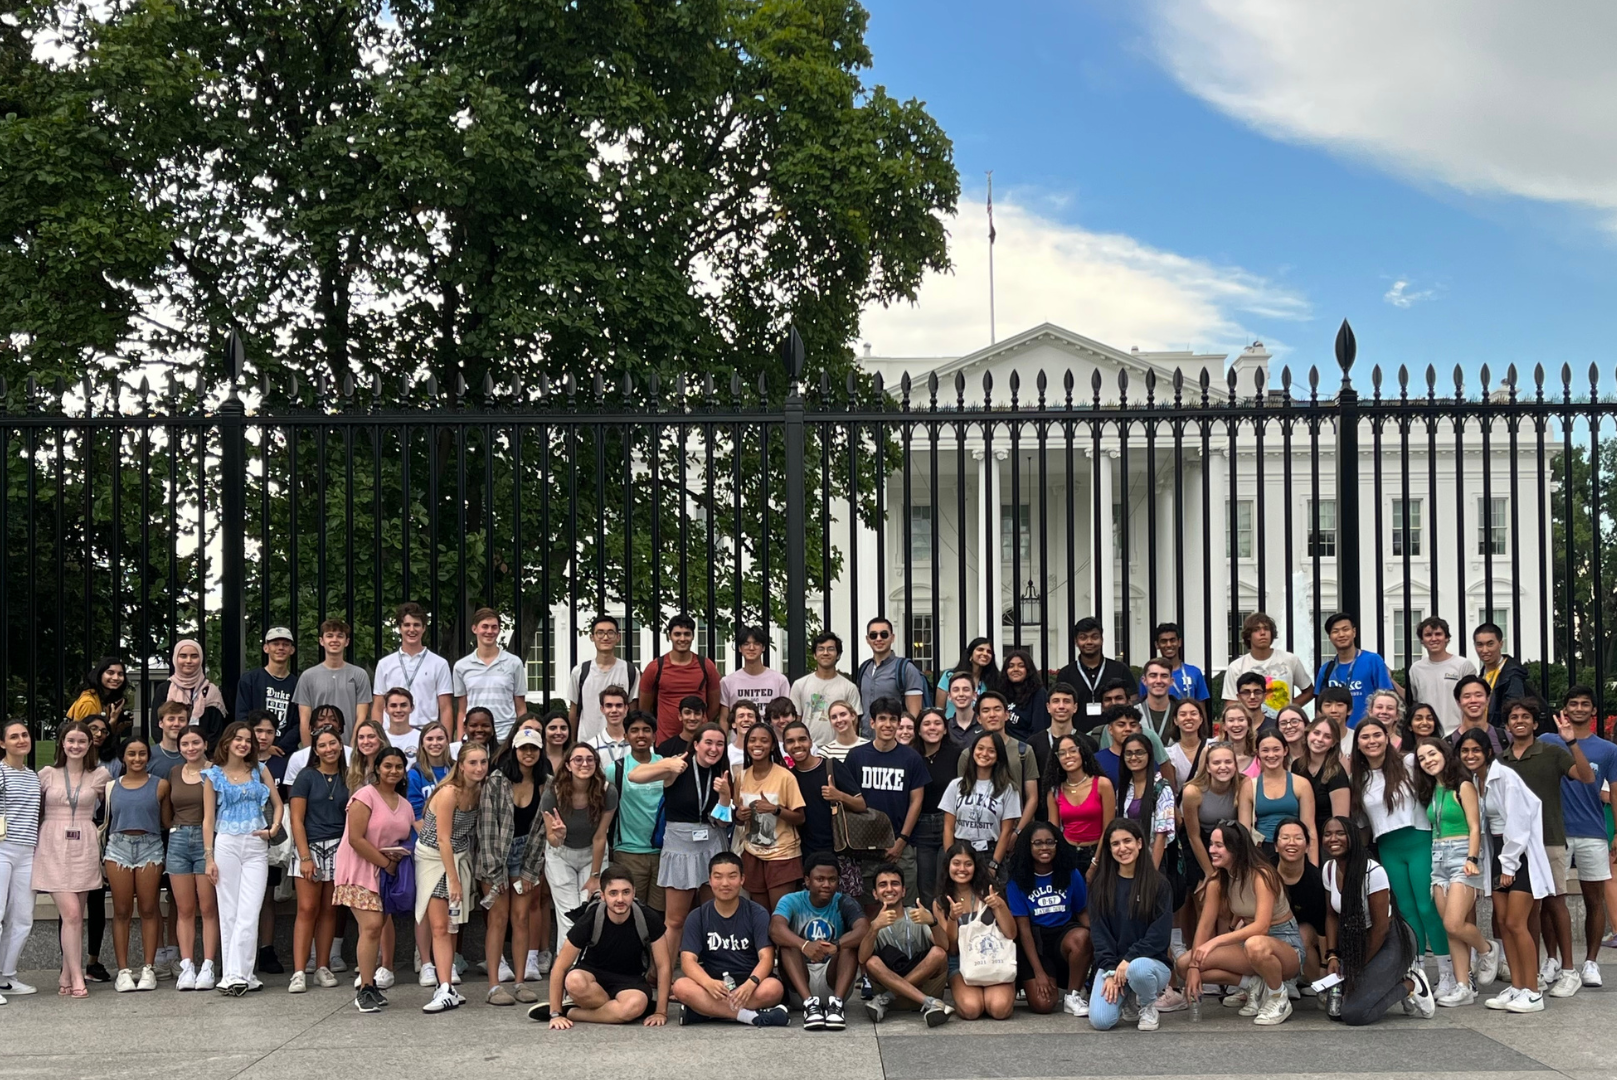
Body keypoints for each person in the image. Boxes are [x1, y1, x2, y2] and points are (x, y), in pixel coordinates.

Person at [1498, 695, 1596, 998]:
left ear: (1535, 722)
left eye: (1525, 717)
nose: (1519, 722)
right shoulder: (1501, 760)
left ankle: (1569, 971)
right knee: (1529, 911)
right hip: (1516, 846)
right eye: (1514, 717)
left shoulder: (1552, 752)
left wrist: (1572, 743)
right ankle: (1535, 972)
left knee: (1556, 902)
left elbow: (1587, 777)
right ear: (1507, 725)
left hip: (1549, 839)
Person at [1349, 718, 1450, 991]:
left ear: (1387, 736)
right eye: (1365, 737)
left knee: (1427, 907)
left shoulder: (1408, 763)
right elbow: (1361, 824)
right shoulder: (1358, 779)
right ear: (1357, 744)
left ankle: (1448, 972)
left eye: (1376, 735)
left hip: (1418, 838)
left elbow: (1440, 779)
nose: (1372, 741)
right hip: (1388, 847)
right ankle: (1417, 969)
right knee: (1405, 910)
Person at [1457, 728, 1552, 1011]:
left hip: (1518, 855)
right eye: (1465, 751)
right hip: (1498, 854)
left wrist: (1509, 865)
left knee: (1515, 923)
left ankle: (1533, 991)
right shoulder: (1476, 780)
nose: (1470, 755)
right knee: (1503, 924)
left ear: (1488, 751)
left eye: (1476, 750)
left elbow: (1519, 825)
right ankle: (1517, 986)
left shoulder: (1506, 777)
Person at [1176, 821, 1302, 1025]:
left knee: (1255, 944)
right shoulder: (1218, 881)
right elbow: (1205, 925)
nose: (1211, 850)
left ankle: (1278, 997)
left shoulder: (1262, 875)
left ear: (1235, 849)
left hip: (1283, 944)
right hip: (1249, 944)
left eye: (1219, 845)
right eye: (1211, 844)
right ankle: (1253, 985)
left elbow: (1262, 926)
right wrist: (1193, 967)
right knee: (1183, 964)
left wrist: (1216, 942)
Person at [1320, 816, 1436, 1024]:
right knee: (1336, 1012)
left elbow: (1381, 927)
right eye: (1327, 834)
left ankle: (1410, 984)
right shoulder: (1329, 869)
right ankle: (1390, 980)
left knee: (1354, 1014)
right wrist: (1333, 956)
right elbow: (1331, 916)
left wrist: (1357, 968)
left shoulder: (1373, 871)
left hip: (1390, 940)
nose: (1332, 839)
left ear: (1353, 837)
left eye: (1340, 833)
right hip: (1357, 941)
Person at [630, 723, 733, 950]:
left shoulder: (723, 771)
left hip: (713, 843)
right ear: (696, 744)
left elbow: (724, 821)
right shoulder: (679, 766)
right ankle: (661, 974)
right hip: (680, 845)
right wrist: (667, 764)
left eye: (719, 744)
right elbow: (634, 776)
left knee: (714, 914)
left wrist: (725, 797)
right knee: (676, 919)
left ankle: (711, 969)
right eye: (708, 742)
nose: (714, 749)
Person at [534, 865, 672, 1027]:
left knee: (635, 1005)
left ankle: (574, 1012)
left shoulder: (647, 918)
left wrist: (660, 1011)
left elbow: (664, 966)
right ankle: (614, 1010)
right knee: (573, 981)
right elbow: (559, 967)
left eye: (626, 892)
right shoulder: (591, 919)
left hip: (630, 981)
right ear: (603, 896)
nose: (620, 899)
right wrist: (555, 1013)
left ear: (634, 892)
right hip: (593, 978)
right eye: (613, 893)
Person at [1544, 684, 1617, 989]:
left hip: (1592, 831)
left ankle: (1590, 962)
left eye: (1584, 704)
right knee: (1549, 898)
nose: (1578, 709)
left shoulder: (1608, 749)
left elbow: (1614, 792)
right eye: (1572, 703)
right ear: (1564, 709)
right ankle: (1551, 960)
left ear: (1593, 711)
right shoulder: (1547, 741)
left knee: (1594, 899)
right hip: (1554, 831)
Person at [203, 721, 282, 995]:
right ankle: (235, 975)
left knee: (250, 911)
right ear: (226, 742)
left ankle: (242, 974)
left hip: (255, 843)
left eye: (248, 740)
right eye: (238, 738)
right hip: (225, 843)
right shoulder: (213, 775)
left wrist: (273, 829)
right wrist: (209, 857)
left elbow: (278, 803)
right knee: (229, 911)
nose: (244, 744)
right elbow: (208, 819)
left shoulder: (260, 770)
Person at [1410, 735, 1491, 1004]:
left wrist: (1473, 858)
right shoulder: (1433, 790)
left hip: (1462, 857)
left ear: (1444, 753)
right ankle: (1462, 986)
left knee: (1453, 922)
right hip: (1438, 858)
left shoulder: (1463, 785)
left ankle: (1488, 949)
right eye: (1422, 758)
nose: (1427, 761)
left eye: (1432, 754)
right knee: (1451, 931)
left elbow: (1475, 826)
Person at [334, 747, 415, 1013]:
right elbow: (356, 839)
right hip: (360, 868)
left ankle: (370, 984)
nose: (393, 771)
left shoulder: (404, 804)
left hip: (387, 873)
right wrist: (385, 863)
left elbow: (405, 837)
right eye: (387, 766)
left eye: (398, 767)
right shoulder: (364, 796)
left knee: (377, 926)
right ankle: (365, 988)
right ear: (377, 768)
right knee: (370, 927)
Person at [34, 721, 112, 996]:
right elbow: (36, 811)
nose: (76, 746)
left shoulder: (100, 775)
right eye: (71, 741)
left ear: (90, 744)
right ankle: (79, 976)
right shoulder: (46, 774)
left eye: (82, 741)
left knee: (77, 917)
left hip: (85, 843)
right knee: (72, 913)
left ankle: (67, 975)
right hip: (52, 843)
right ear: (62, 744)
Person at [671, 851, 790, 1026]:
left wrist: (751, 983)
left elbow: (767, 957)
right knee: (681, 986)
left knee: (774, 989)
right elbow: (688, 961)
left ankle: (706, 1012)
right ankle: (749, 1016)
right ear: (710, 880)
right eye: (718, 877)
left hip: (750, 983)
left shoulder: (757, 913)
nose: (725, 883)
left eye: (732, 876)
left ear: (742, 879)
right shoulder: (698, 916)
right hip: (713, 985)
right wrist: (708, 983)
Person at [475, 726, 546, 1005]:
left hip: (525, 854)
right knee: (498, 918)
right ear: (514, 750)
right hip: (496, 854)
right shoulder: (496, 780)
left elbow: (541, 831)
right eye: (523, 748)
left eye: (533, 748)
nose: (528, 753)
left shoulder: (546, 783)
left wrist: (530, 870)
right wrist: (495, 872)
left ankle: (519, 982)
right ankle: (494, 986)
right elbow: (487, 826)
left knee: (521, 917)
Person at [418, 741, 488, 1014]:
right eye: (472, 762)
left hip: (458, 858)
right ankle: (444, 985)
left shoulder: (479, 791)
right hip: (435, 859)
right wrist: (454, 881)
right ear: (460, 765)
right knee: (439, 926)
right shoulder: (449, 792)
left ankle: (447, 986)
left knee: (450, 926)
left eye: (483, 762)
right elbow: (443, 839)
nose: (479, 767)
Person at [1088, 818, 1175, 1031]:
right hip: (1115, 966)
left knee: (1137, 968)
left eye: (1127, 841)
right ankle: (1127, 998)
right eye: (1115, 844)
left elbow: (1159, 935)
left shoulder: (1158, 884)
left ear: (1139, 843)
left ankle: (1147, 1006)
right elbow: (1099, 934)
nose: (1122, 848)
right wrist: (1109, 970)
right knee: (1101, 1021)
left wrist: (1128, 960)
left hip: (1150, 965)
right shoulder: (1099, 886)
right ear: (1109, 849)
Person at [769, 852, 870, 1030]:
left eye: (832, 879)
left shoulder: (844, 902)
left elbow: (864, 929)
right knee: (787, 944)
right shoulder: (791, 900)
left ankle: (836, 1006)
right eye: (820, 879)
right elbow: (775, 929)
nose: (826, 885)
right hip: (799, 983)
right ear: (807, 880)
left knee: (849, 945)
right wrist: (804, 945)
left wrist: (837, 946)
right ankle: (810, 1005)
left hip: (833, 981)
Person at [845, 704, 930, 904]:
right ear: (872, 723)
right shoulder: (856, 756)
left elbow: (916, 801)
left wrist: (902, 840)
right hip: (864, 847)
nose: (888, 724)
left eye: (893, 719)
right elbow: (849, 800)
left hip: (901, 845)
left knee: (906, 905)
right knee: (866, 907)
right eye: (882, 719)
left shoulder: (911, 758)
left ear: (899, 724)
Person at [100, 735, 166, 992]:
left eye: (141, 754)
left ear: (148, 757)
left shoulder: (160, 786)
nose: (137, 759)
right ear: (123, 757)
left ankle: (148, 968)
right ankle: (124, 970)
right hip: (118, 847)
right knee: (122, 910)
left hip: (150, 845)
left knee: (149, 908)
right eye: (132, 754)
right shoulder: (111, 786)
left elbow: (167, 820)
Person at [287, 726, 349, 994]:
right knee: (307, 909)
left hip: (340, 847)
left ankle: (323, 966)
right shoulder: (306, 777)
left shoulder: (349, 776)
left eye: (332, 743)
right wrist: (305, 856)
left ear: (340, 744)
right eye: (322, 745)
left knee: (329, 910)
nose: (329, 749)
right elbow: (296, 820)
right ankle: (300, 970)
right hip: (309, 847)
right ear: (315, 750)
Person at [1006, 821, 1092, 1015]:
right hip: (1035, 942)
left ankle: (1073, 995)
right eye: (1037, 843)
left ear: (1057, 844)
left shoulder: (1070, 874)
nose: (1044, 847)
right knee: (1043, 1005)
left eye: (1049, 842)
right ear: (1028, 847)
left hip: (1064, 936)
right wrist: (1039, 973)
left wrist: (1096, 944)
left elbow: (1082, 912)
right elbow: (1024, 930)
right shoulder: (1017, 880)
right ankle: (1031, 982)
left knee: (1083, 937)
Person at [541, 744, 617, 943]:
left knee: (588, 912)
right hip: (561, 855)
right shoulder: (553, 793)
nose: (584, 764)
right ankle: (568, 969)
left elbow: (601, 836)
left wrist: (595, 876)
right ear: (568, 765)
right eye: (578, 760)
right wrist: (559, 835)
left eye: (590, 759)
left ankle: (586, 966)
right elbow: (551, 840)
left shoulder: (608, 791)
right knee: (568, 914)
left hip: (593, 854)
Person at [859, 861, 952, 1024]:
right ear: (875, 893)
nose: (889, 889)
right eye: (883, 885)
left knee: (939, 953)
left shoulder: (918, 914)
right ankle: (930, 1003)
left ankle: (888, 997)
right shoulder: (873, 923)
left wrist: (933, 922)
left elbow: (945, 947)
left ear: (903, 891)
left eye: (894, 884)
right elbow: (862, 959)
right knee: (872, 961)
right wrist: (874, 929)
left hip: (911, 991)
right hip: (913, 997)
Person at [932, 841, 1015, 1020]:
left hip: (995, 959)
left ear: (976, 867)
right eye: (956, 863)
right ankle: (970, 995)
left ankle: (991, 993)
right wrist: (953, 918)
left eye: (968, 864)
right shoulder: (940, 902)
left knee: (999, 1009)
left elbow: (1011, 934)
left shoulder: (991, 892)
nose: (962, 869)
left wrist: (999, 906)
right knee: (971, 1010)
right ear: (948, 867)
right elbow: (951, 948)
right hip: (961, 963)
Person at [164, 726, 218, 991]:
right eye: (185, 744)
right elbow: (166, 810)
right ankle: (187, 965)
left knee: (208, 908)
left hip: (206, 840)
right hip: (178, 840)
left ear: (205, 743)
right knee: (184, 908)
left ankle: (208, 964)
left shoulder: (215, 772)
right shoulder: (174, 772)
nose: (190, 748)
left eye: (195, 742)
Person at [732, 724, 806, 910]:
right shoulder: (741, 776)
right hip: (753, 854)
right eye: (753, 740)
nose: (758, 745)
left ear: (773, 746)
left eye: (764, 741)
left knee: (781, 916)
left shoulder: (785, 777)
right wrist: (740, 815)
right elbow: (738, 817)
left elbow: (800, 818)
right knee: (761, 916)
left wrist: (775, 809)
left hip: (782, 856)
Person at [954, 692, 1041, 835]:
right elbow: (962, 797)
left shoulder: (1024, 751)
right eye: (986, 710)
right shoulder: (968, 755)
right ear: (979, 718)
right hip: (980, 832)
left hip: (1017, 830)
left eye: (997, 709)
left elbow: (1032, 798)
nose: (992, 714)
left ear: (1007, 715)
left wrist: (1017, 833)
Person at [1178, 743, 1245, 923]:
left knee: (1226, 906)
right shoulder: (1193, 791)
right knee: (1204, 899)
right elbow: (1193, 835)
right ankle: (1196, 946)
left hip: (1230, 845)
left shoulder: (1243, 785)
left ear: (1235, 765)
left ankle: (1223, 946)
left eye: (1228, 762)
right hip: (1198, 844)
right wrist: (1210, 872)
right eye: (1216, 763)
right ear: (1207, 767)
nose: (1223, 767)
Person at [0, 720, 41, 1000]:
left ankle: (6, 976)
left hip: (28, 852)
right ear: (3, 743)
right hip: (2, 849)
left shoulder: (33, 776)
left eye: (24, 735)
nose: (21, 740)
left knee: (22, 918)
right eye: (14, 736)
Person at [607, 713, 665, 912]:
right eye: (634, 730)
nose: (641, 735)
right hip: (628, 852)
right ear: (625, 736)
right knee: (630, 912)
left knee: (658, 915)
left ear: (654, 736)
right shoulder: (615, 769)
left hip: (663, 853)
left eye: (646, 730)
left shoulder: (666, 765)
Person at [942, 732, 1022, 874]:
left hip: (990, 851)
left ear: (999, 756)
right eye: (980, 748)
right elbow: (948, 827)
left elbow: (1006, 831)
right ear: (973, 751)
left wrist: (994, 864)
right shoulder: (956, 785)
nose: (984, 753)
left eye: (991, 751)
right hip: (961, 849)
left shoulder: (1009, 789)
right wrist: (951, 859)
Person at [372, 602, 455, 731]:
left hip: (427, 735)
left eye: (416, 625)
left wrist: (446, 744)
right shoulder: (385, 664)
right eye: (407, 625)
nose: (412, 630)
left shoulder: (439, 663)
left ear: (424, 628)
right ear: (400, 628)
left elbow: (445, 708)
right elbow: (378, 707)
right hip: (392, 734)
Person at [640, 614, 721, 743]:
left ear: (693, 636)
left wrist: (700, 724)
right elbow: (644, 708)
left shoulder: (706, 666)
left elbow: (714, 706)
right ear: (669, 636)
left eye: (687, 634)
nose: (682, 639)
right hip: (665, 740)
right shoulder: (655, 667)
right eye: (677, 634)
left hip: (699, 741)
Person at [453, 607, 527, 743]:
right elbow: (462, 710)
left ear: (499, 630)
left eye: (494, 627)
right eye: (485, 627)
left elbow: (521, 708)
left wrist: (521, 736)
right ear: (474, 629)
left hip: (506, 737)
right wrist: (459, 741)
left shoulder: (514, 663)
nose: (489, 631)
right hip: (474, 737)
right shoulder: (461, 666)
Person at [1222, 612, 1314, 720]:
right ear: (1248, 636)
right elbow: (1231, 702)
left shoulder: (1290, 660)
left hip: (1283, 726)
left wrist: (1290, 709)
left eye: (1266, 629)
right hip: (1251, 727)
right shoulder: (1236, 667)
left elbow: (1309, 691)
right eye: (1256, 630)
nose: (1262, 633)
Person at [294, 620, 372, 747]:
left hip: (350, 747)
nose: (334, 640)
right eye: (329, 635)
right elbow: (305, 719)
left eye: (340, 636)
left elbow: (361, 716)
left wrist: (352, 749)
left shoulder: (359, 674)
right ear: (321, 641)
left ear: (347, 642)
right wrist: (309, 752)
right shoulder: (308, 676)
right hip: (320, 749)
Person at [1241, 730, 1316, 861]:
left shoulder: (1301, 784)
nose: (1271, 755)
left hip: (1294, 849)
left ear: (1285, 751)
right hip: (1262, 851)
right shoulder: (1249, 786)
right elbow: (1244, 831)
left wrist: (1313, 868)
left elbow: (1309, 828)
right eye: (1265, 750)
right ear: (1258, 753)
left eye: (1276, 749)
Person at [568, 614, 642, 743]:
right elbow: (574, 710)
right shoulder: (580, 672)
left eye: (610, 633)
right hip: (587, 742)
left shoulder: (630, 671)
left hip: (620, 743)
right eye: (600, 633)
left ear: (618, 637)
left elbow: (633, 710)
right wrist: (572, 744)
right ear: (592, 637)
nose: (605, 637)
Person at [1045, 733, 1114, 873]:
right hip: (1068, 854)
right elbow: (1054, 832)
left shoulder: (1102, 784)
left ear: (1082, 752)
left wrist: (1096, 862)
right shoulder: (1055, 791)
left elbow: (1109, 829)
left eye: (1072, 750)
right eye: (1062, 753)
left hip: (1097, 852)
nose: (1068, 756)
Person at [1316, 613, 1399, 727]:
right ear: (1330, 637)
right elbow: (1320, 709)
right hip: (1336, 734)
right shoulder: (1326, 670)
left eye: (1345, 629)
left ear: (1354, 632)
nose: (1341, 634)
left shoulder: (1373, 661)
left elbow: (1387, 698)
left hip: (1367, 733)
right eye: (1335, 631)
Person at [1273, 817, 1327, 991]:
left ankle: (1310, 980)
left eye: (1298, 838)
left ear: (1307, 846)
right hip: (1270, 927)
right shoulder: (1264, 872)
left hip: (1304, 933)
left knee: (1300, 934)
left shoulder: (1316, 881)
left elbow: (1323, 928)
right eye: (1285, 838)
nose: (1292, 843)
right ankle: (1255, 984)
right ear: (1275, 845)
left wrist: (1326, 966)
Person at [907, 709, 954, 905]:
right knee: (925, 886)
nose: (932, 728)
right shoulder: (910, 756)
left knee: (946, 884)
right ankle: (931, 932)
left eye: (937, 723)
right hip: (921, 826)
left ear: (945, 730)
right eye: (926, 724)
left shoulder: (958, 754)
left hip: (949, 824)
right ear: (918, 730)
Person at [1054, 617, 1134, 722]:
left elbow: (1133, 700)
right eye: (1083, 638)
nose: (1089, 642)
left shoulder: (1120, 669)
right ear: (1076, 642)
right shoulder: (1066, 674)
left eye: (1094, 637)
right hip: (1077, 735)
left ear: (1102, 639)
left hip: (1114, 733)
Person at [1115, 732, 1176, 868]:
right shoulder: (1124, 788)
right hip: (1127, 859)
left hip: (1153, 861)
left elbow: (1162, 833)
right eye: (1129, 753)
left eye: (1139, 752)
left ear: (1149, 755)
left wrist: (1152, 872)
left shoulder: (1161, 787)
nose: (1134, 757)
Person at [1407, 617, 1476, 736]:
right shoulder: (1416, 669)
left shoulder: (1463, 665)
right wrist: (1390, 680)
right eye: (1428, 635)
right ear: (1422, 641)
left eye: (1438, 634)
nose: (1434, 639)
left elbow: (1472, 701)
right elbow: (1412, 700)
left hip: (1458, 733)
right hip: (1428, 733)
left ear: (1447, 638)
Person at [236, 628, 299, 756]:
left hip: (284, 754)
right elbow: (242, 716)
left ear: (292, 650)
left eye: (285, 644)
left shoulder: (298, 684)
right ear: (266, 648)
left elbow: (300, 722)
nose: (280, 648)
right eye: (275, 644)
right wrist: (259, 745)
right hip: (252, 752)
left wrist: (280, 748)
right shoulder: (250, 680)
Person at [790, 632, 861, 744]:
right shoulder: (799, 685)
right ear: (814, 654)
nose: (825, 653)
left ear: (838, 655)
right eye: (821, 649)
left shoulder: (849, 688)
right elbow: (795, 721)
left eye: (831, 649)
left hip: (838, 748)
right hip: (808, 749)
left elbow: (854, 724)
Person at [855, 617, 928, 724]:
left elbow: (914, 716)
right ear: (867, 639)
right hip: (867, 737)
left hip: (895, 737)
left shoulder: (906, 668)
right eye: (873, 635)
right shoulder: (864, 668)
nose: (878, 639)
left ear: (892, 638)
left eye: (884, 634)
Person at [1294, 714, 1350, 842]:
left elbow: (1341, 822)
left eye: (1327, 736)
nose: (1319, 739)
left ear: (1333, 743)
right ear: (1308, 734)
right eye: (1316, 733)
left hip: (1328, 841)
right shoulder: (1297, 766)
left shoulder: (1337, 774)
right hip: (1300, 838)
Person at [720, 625, 790, 726]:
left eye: (756, 644)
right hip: (739, 740)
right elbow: (724, 719)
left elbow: (786, 716)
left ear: (763, 648)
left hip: (771, 739)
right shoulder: (727, 682)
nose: (751, 648)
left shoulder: (780, 680)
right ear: (740, 648)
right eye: (746, 644)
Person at [1473, 622, 1530, 732]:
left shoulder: (1512, 675)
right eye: (1480, 645)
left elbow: (1515, 711)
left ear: (1500, 644)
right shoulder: (1482, 675)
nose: (1484, 650)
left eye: (1490, 644)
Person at [1143, 623, 1210, 709]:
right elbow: (1144, 708)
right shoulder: (1150, 677)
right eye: (1164, 641)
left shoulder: (1195, 673)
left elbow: (1201, 708)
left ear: (1179, 642)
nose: (1169, 645)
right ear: (1157, 645)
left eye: (1172, 640)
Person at [936, 636, 1003, 718]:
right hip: (951, 726)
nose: (985, 654)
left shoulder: (994, 681)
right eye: (980, 650)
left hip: (980, 728)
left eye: (989, 652)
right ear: (970, 653)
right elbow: (939, 710)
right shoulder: (949, 676)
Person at [1028, 681, 1081, 781]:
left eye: (1066, 701)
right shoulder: (1033, 744)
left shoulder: (1088, 743)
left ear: (1075, 707)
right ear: (1048, 707)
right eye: (1056, 701)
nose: (1061, 706)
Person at [69, 656, 130, 739]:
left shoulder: (103, 700)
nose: (116, 678)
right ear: (99, 674)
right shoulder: (89, 703)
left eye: (120, 674)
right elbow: (91, 738)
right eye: (110, 673)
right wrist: (112, 722)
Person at [1448, 674, 1508, 756]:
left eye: (1478, 695)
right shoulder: (1448, 745)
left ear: (1487, 700)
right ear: (1458, 702)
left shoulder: (1506, 739)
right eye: (1467, 696)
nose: (1473, 700)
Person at [1164, 698, 1208, 796]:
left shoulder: (1212, 746)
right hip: (1184, 808)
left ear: (1201, 719)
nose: (1188, 718)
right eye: (1183, 714)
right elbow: (1171, 791)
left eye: (1193, 713)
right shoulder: (1169, 754)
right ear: (1175, 720)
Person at [1002, 649, 1049, 741]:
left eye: (1021, 666)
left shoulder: (1038, 693)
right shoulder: (1001, 692)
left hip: (1026, 748)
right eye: (1011, 666)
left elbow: (1039, 729)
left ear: (1028, 669)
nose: (1015, 669)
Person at [587, 685, 633, 766]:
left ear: (626, 709)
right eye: (609, 706)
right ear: (602, 709)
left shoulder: (637, 742)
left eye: (619, 705)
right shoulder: (592, 746)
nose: (614, 710)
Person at [379, 688, 421, 766]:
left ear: (411, 708)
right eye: (393, 705)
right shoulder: (379, 738)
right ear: (386, 709)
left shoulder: (422, 737)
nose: (398, 710)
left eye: (403, 705)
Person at [1217, 700, 1259, 776]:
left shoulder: (1259, 759)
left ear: (1248, 725)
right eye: (1231, 720)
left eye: (1241, 720)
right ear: (1224, 726)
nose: (1236, 724)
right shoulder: (1212, 756)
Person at [942, 671, 980, 747]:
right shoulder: (945, 728)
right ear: (949, 696)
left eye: (966, 689)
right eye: (956, 690)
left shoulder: (984, 725)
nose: (961, 694)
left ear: (974, 695)